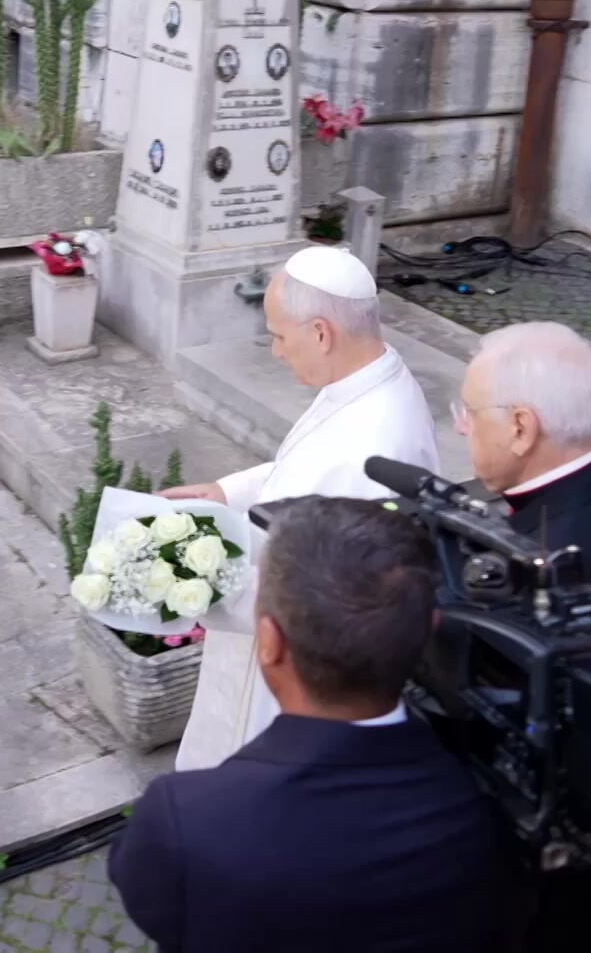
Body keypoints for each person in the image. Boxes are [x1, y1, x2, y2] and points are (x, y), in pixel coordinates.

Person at [109, 497, 506, 953]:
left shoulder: (185, 818)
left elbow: (143, 891)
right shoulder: (488, 803)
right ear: (427, 629)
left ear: (270, 643)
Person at [160, 246, 440, 771]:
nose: (274, 351)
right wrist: (225, 492)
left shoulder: (375, 443)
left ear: (320, 333)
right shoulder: (362, 381)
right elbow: (299, 466)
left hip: (299, 675)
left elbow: (321, 597)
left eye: (279, 335)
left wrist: (186, 579)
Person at [455, 322, 591, 952]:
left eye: (469, 413)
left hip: (550, 825)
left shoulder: (542, 564)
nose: (461, 428)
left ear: (522, 427)